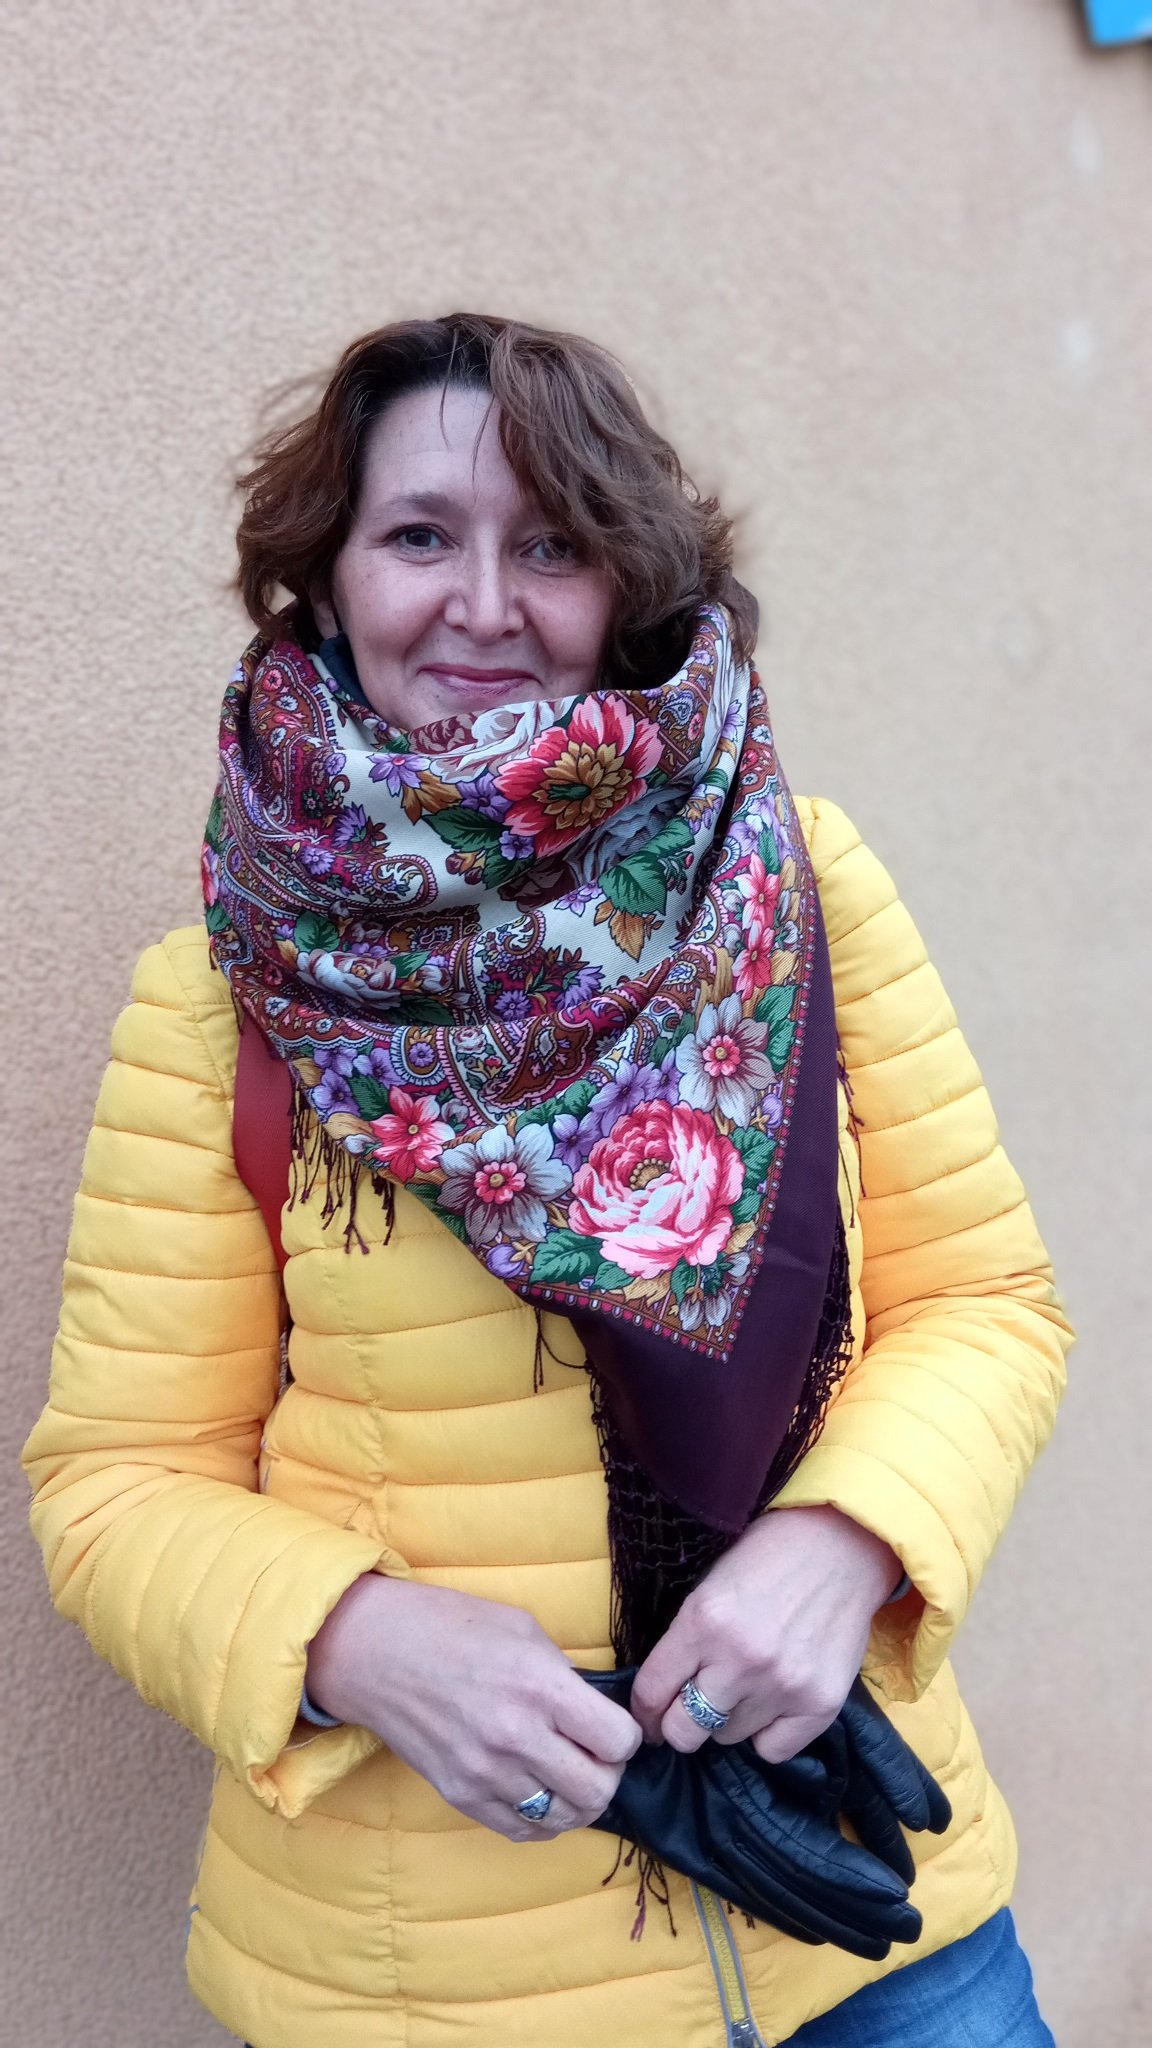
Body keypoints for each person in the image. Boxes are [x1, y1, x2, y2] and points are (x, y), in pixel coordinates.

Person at [23, 313, 1073, 2048]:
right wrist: (351, 1642)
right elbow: (117, 1482)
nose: (485, 604)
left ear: (627, 581)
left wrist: (844, 1542)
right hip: (431, 1984)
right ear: (329, 575)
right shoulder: (221, 1002)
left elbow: (985, 1302)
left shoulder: (796, 881)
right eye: (419, 534)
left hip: (872, 1929)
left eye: (553, 545)